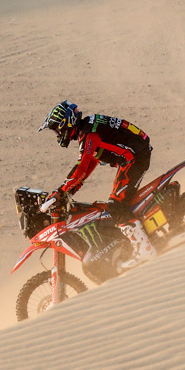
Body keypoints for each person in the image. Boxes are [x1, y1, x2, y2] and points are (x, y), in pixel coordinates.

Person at [38, 100, 156, 271]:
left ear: (66, 123)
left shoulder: (89, 134)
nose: (57, 133)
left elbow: (81, 167)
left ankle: (145, 250)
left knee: (116, 205)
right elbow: (89, 165)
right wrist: (70, 192)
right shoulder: (89, 129)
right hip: (133, 156)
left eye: (57, 128)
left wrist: (59, 192)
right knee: (119, 203)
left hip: (135, 159)